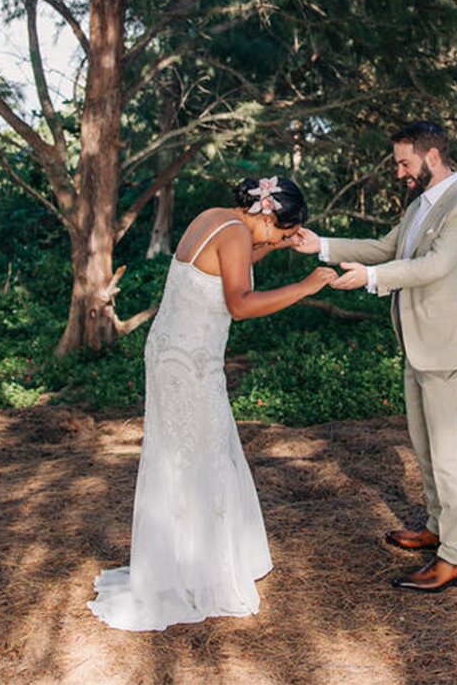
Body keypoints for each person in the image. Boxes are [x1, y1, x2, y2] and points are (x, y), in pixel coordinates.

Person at [87, 175, 339, 631]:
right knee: (200, 457)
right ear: (267, 215)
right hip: (191, 364)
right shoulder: (238, 234)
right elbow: (239, 303)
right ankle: (198, 574)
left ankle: (189, 564)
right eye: (284, 232)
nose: (281, 239)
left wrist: (276, 247)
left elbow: (232, 261)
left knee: (191, 454)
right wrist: (304, 287)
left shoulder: (217, 220)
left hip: (173, 353)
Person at [298, 120, 457, 593]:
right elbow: (385, 248)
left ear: (432, 157)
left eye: (405, 162)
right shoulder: (420, 206)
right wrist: (319, 244)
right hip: (417, 346)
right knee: (426, 453)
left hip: (447, 350)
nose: (400, 172)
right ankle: (437, 527)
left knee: (449, 459)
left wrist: (370, 279)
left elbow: (435, 266)